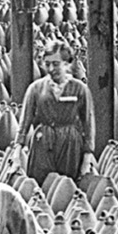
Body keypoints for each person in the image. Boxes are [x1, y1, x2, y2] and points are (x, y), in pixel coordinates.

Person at [19, 47, 91, 181]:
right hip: (43, 140)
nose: (51, 68)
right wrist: (17, 151)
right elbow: (25, 122)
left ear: (66, 64)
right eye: (47, 64)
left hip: (70, 142)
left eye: (56, 64)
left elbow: (88, 123)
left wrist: (87, 157)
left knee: (68, 184)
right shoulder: (36, 88)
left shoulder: (79, 88)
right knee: (39, 182)